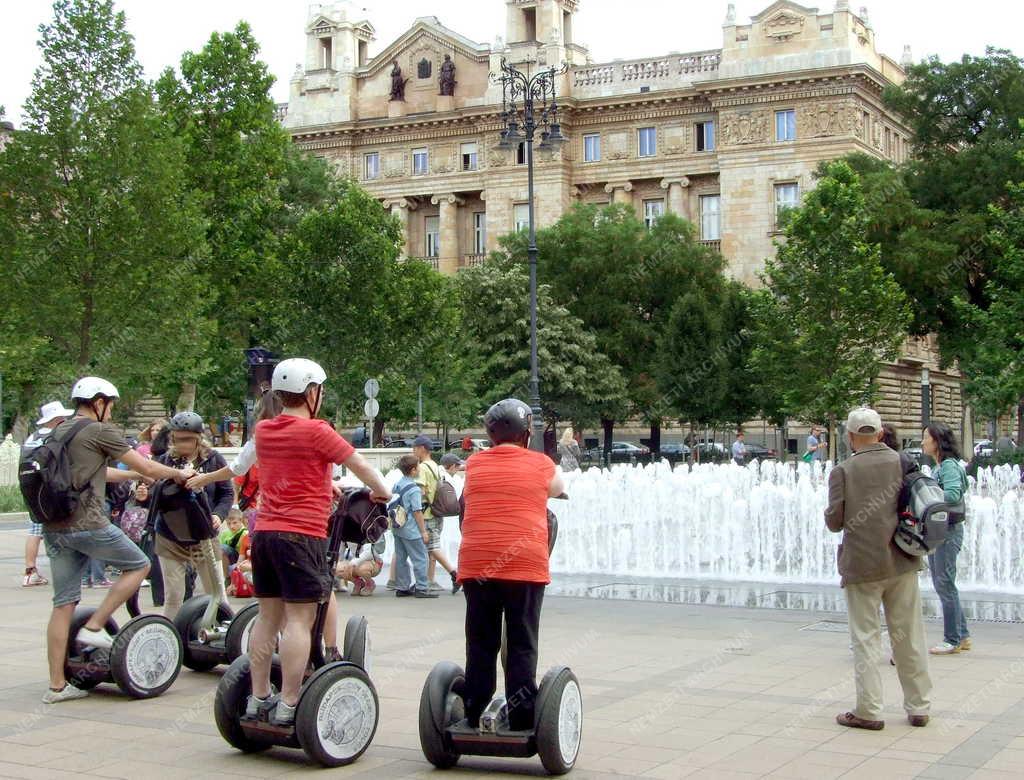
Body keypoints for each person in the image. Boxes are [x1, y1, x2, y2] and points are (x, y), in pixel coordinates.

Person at [246, 358, 391, 727]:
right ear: (312, 392)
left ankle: (258, 696)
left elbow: (290, 469)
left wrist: (328, 485)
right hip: (301, 535)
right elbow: (363, 466)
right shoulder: (317, 431)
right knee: (299, 619)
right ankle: (290, 702)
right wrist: (383, 491)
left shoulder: (263, 430)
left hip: (264, 533)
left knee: (267, 618)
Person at [42, 377, 195, 703]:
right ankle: (95, 627)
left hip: (55, 528)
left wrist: (132, 475)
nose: (110, 413)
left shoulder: (59, 431)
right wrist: (178, 473)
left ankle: (56, 686)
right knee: (139, 565)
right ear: (99, 403)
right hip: (89, 523)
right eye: (110, 405)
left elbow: (99, 473)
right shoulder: (99, 430)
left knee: (63, 604)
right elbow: (150, 466)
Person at [458, 398, 566, 731]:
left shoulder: (474, 463)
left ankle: (473, 708)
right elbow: (558, 489)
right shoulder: (542, 463)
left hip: (477, 565)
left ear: (490, 434)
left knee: (480, 641)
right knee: (521, 642)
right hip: (523, 566)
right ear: (526, 432)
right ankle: (521, 716)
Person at [824, 406, 931, 730]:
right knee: (909, 635)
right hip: (902, 560)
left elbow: (835, 521)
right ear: (881, 433)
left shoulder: (843, 471)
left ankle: (869, 711)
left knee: (866, 638)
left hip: (862, 566)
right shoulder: (902, 461)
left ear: (851, 437)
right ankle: (919, 707)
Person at [152, 412, 233, 619]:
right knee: (174, 595)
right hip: (170, 535)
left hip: (204, 532)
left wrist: (218, 514)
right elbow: (154, 495)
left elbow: (227, 492)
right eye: (178, 438)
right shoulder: (165, 461)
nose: (182, 444)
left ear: (198, 438)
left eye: (187, 439)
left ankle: (219, 630)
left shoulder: (213, 459)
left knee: (215, 592)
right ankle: (172, 637)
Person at [923, 422, 971, 655]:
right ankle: (961, 635)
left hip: (947, 531)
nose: (922, 442)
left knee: (944, 583)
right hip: (941, 531)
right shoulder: (942, 466)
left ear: (937, 442)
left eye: (926, 437)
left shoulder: (948, 466)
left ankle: (952, 639)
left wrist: (926, 494)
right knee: (944, 583)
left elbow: (952, 494)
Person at [22, 401, 75, 586]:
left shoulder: (32, 437)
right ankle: (65, 571)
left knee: (35, 529)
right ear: (57, 419)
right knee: (58, 527)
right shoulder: (57, 436)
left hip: (31, 487)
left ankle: (30, 570)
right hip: (51, 487)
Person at [413, 435, 459, 593]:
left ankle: (454, 574)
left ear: (422, 449)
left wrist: (414, 509)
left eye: (415, 448)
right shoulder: (435, 465)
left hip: (428, 514)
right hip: (438, 512)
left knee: (432, 547)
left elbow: (420, 491)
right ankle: (426, 581)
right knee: (430, 549)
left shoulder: (423, 468)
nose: (413, 451)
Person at [391, 454, 438, 598]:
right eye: (418, 467)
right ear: (412, 470)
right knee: (420, 557)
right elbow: (417, 512)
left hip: (397, 526)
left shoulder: (398, 484)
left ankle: (402, 587)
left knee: (401, 557)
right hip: (411, 528)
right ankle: (422, 587)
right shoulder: (414, 489)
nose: (419, 469)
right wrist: (423, 531)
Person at [219, 507, 248, 579]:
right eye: (229, 524)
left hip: (241, 558)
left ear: (241, 521)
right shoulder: (225, 534)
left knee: (223, 548)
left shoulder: (245, 533)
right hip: (227, 560)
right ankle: (227, 577)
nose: (232, 526)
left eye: (235, 523)